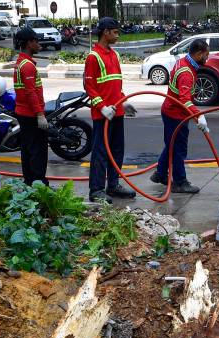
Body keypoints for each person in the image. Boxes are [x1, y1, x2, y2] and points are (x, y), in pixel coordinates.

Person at [83, 17, 136, 203]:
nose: (117, 35)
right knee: (100, 152)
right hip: (103, 115)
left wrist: (123, 102)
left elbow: (115, 85)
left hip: (117, 113)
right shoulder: (93, 57)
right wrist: (101, 106)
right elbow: (89, 86)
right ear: (105, 32)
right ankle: (96, 190)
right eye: (115, 32)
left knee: (117, 151)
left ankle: (113, 185)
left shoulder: (114, 55)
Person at [151, 38, 209, 194]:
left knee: (171, 145)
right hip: (176, 115)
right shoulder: (186, 72)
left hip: (171, 111)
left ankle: (160, 174)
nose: (207, 58)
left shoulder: (184, 62)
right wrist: (199, 116)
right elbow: (184, 100)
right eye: (206, 55)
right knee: (178, 149)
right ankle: (180, 182)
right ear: (198, 54)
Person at [13, 27, 48, 186]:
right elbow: (30, 93)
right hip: (31, 114)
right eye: (36, 40)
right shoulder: (27, 66)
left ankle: (29, 183)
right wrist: (40, 114)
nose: (39, 43)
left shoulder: (21, 63)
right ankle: (39, 185)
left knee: (28, 149)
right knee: (37, 151)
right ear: (29, 43)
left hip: (24, 113)